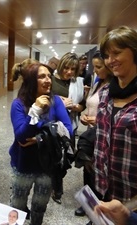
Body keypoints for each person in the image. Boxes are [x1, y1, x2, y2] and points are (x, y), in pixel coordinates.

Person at [9, 59, 73, 225]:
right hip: (24, 164)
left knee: (39, 206)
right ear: (31, 81)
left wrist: (39, 138)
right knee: (17, 204)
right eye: (42, 77)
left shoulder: (56, 101)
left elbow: (68, 131)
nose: (48, 80)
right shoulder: (18, 104)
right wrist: (35, 111)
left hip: (47, 165)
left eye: (49, 76)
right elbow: (22, 137)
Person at [94, 25, 137, 203]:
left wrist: (130, 208)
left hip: (133, 201)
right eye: (107, 55)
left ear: (135, 52)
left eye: (117, 53)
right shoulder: (105, 92)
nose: (110, 60)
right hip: (104, 191)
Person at [74, 50, 113, 218]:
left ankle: (100, 206)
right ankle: (89, 203)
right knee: (88, 168)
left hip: (104, 134)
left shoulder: (115, 86)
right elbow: (89, 103)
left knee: (100, 169)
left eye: (99, 67)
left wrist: (96, 120)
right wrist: (84, 117)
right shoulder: (98, 82)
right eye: (94, 66)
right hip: (91, 132)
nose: (95, 70)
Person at [51, 52, 85, 204]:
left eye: (73, 69)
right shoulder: (50, 79)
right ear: (60, 66)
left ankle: (56, 181)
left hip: (69, 125)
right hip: (52, 125)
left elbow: (82, 103)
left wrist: (77, 107)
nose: (69, 72)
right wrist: (57, 102)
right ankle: (56, 189)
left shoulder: (77, 82)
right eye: (66, 68)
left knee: (66, 159)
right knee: (53, 158)